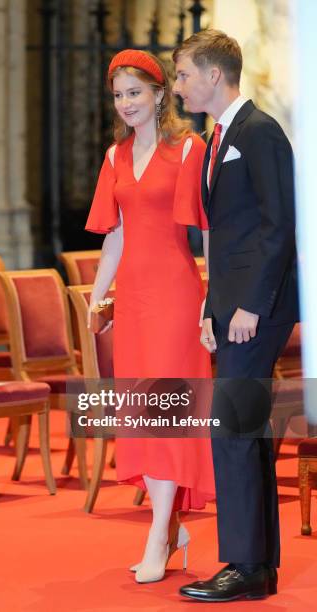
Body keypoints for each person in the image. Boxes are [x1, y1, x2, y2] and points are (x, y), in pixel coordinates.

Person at [172, 30, 298, 602]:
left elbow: (280, 228)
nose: (177, 86)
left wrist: (249, 305)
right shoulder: (220, 136)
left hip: (257, 308)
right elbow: (226, 235)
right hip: (232, 303)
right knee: (243, 431)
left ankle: (245, 567)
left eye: (181, 75)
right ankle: (258, 566)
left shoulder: (260, 132)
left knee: (232, 430)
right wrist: (210, 302)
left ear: (213, 76)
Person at [85, 49, 215, 584]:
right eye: (118, 95)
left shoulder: (189, 148)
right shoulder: (114, 158)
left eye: (135, 93)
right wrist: (97, 296)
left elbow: (209, 229)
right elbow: (114, 238)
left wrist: (215, 292)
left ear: (161, 94)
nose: (126, 104)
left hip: (178, 297)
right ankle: (171, 525)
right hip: (134, 301)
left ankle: (158, 532)